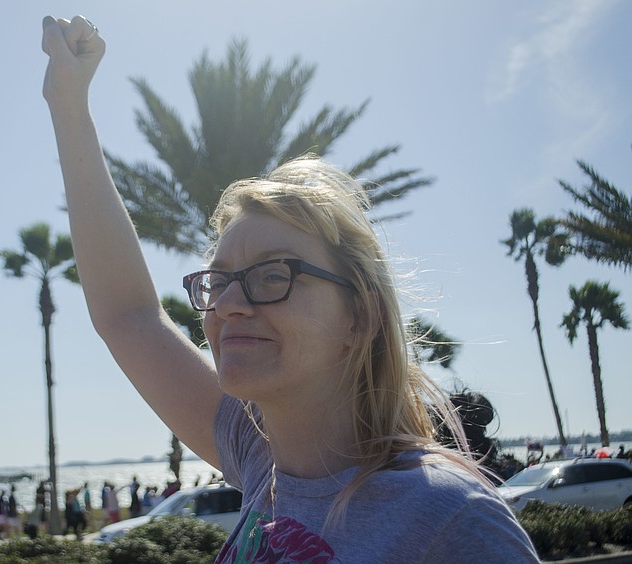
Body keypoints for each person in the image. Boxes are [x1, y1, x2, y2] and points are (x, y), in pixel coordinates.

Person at [41, 15, 539, 562]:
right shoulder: (262, 463)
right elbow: (129, 315)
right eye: (220, 280)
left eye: (273, 276)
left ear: (361, 317)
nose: (228, 305)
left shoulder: (449, 519)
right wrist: (69, 105)